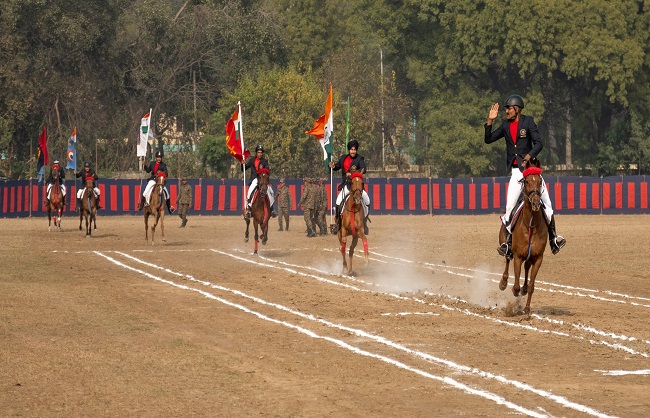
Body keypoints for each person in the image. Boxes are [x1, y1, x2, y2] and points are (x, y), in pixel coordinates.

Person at [485, 94, 566, 258]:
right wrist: (490, 121)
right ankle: (507, 244)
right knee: (509, 209)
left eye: (508, 108)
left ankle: (554, 239)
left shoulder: (528, 122)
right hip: (516, 172)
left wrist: (529, 156)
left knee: (547, 206)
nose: (506, 111)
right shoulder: (505, 125)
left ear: (517, 109)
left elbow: (539, 143)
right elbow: (488, 139)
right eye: (506, 109)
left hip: (531, 172)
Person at [329, 140, 371, 234]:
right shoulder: (343, 158)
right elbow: (338, 166)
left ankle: (364, 222)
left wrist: (353, 173)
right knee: (338, 202)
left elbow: (364, 169)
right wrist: (333, 165)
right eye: (352, 149)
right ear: (349, 150)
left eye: (355, 149)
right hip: (347, 186)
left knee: (367, 200)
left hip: (357, 186)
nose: (353, 151)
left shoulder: (360, 159)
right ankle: (338, 224)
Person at [243, 144, 276, 219]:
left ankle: (272, 209)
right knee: (250, 190)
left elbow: (267, 170)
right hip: (254, 179)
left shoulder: (265, 161)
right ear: (256, 153)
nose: (260, 154)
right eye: (258, 152)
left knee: (271, 191)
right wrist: (243, 163)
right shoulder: (251, 160)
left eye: (261, 152)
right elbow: (244, 169)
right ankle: (248, 207)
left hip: (263, 179)